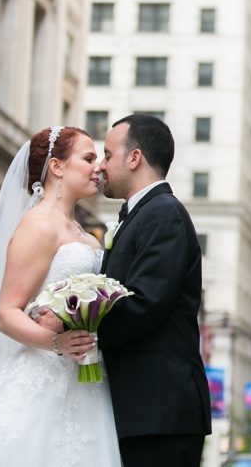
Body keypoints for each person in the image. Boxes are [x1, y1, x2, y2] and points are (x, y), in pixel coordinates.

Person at [0, 126, 120, 466]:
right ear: (57, 167)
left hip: (87, 381)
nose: (99, 167)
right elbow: (7, 313)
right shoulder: (38, 225)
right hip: (45, 378)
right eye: (88, 158)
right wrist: (57, 343)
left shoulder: (83, 233)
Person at [95, 114, 212, 466]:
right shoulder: (143, 214)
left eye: (107, 155)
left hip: (159, 411)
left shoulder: (164, 214)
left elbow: (145, 303)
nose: (100, 166)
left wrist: (79, 326)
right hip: (143, 411)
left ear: (134, 159)